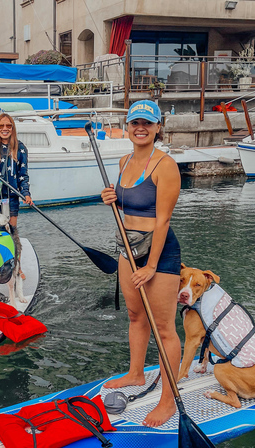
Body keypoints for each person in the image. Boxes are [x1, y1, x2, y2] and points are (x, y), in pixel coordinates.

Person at [100, 100, 182, 428]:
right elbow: (129, 204)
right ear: (128, 125)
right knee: (135, 316)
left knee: (164, 329)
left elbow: (162, 221)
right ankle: (136, 374)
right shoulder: (123, 161)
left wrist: (151, 266)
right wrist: (112, 198)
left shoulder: (166, 166)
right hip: (127, 248)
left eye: (147, 123)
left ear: (158, 127)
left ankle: (168, 400)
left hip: (159, 254)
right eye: (135, 122)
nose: (140, 128)